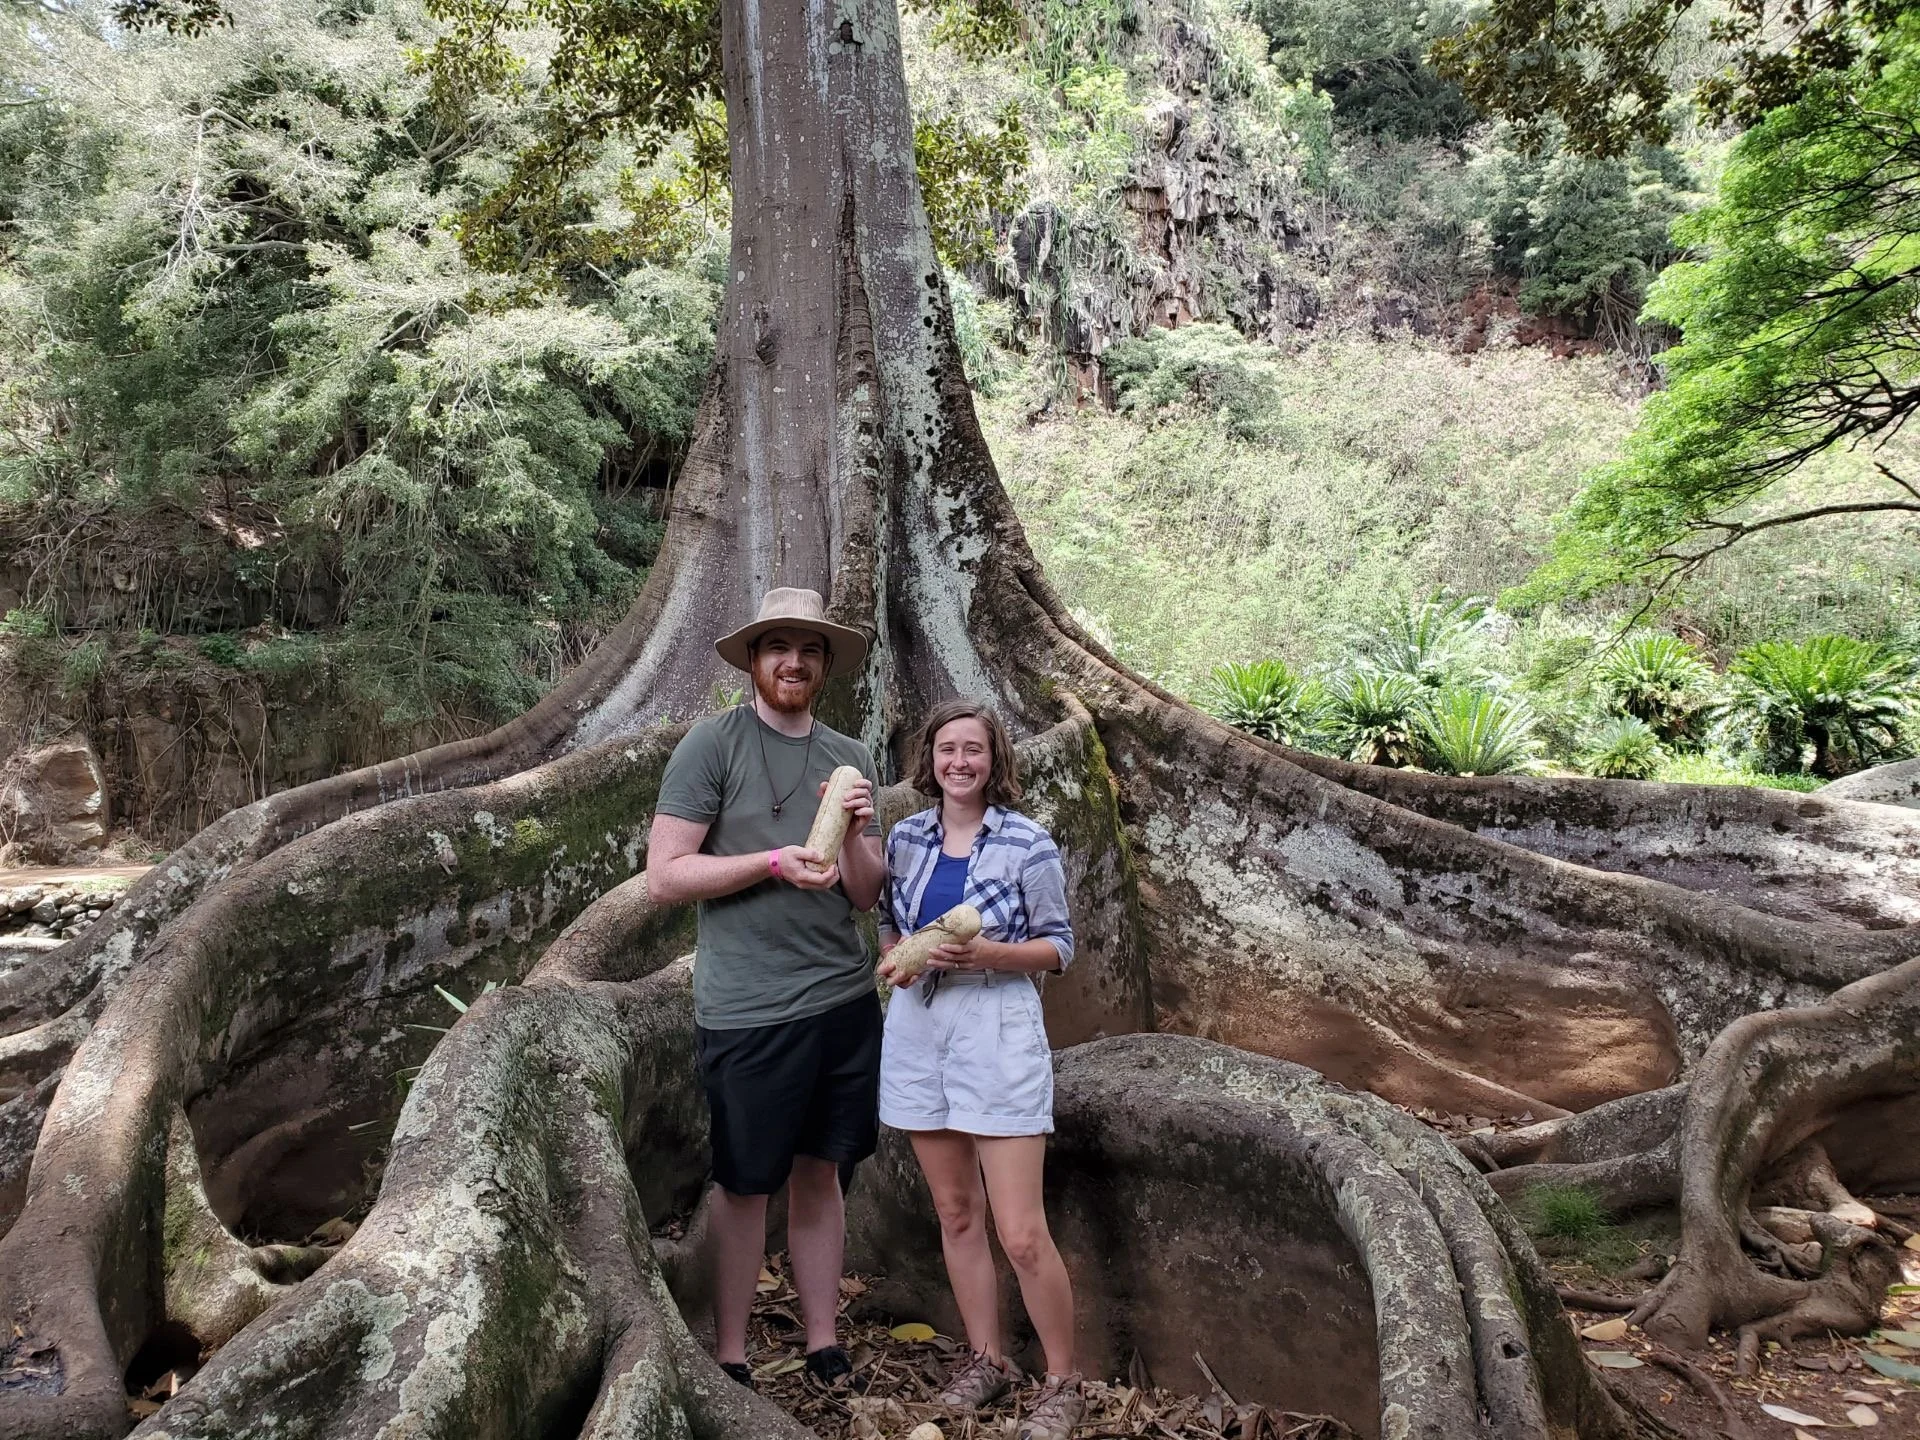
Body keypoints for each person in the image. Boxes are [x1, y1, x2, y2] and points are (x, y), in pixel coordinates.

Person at [647, 587, 885, 1393]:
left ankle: (823, 1341)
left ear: (824, 666)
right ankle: (732, 1352)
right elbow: (666, 877)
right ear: (753, 659)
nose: (794, 660)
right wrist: (772, 861)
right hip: (749, 1008)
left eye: (810, 649)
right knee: (745, 1185)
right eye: (778, 645)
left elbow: (863, 893)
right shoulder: (709, 748)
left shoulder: (850, 756)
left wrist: (851, 831)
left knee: (822, 1173)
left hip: (842, 1002)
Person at [875, 698, 1085, 1440]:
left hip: (996, 1023)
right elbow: (888, 920)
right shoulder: (904, 837)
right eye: (946, 749)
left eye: (973, 750)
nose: (958, 762)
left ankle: (1065, 1380)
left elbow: (1058, 947)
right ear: (928, 759)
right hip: (919, 1024)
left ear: (995, 760)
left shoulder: (1028, 843)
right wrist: (899, 950)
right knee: (957, 1213)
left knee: (1021, 1231)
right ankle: (990, 1360)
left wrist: (991, 953)